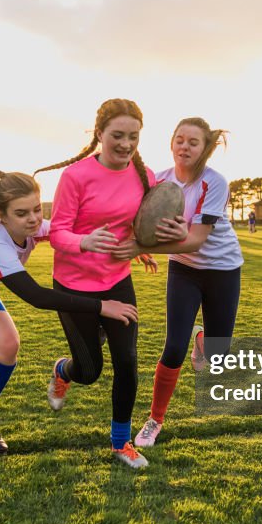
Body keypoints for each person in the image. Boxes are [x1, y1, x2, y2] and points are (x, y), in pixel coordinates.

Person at [0, 171, 138, 456]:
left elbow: (69, 235)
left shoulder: (33, 228)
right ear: (3, 216)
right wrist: (101, 307)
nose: (32, 219)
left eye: (36, 209)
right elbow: (36, 296)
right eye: (21, 213)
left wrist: (128, 247)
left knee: (8, 346)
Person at [34, 98, 187, 469]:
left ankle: (121, 444)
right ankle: (63, 372)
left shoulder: (144, 175)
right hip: (72, 285)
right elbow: (58, 234)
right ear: (99, 133)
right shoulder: (76, 176)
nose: (125, 144)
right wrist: (82, 242)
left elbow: (141, 224)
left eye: (133, 136)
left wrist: (146, 246)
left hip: (117, 282)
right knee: (90, 371)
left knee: (128, 362)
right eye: (117, 135)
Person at [108, 118, 243, 448]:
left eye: (193, 142)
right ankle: (155, 420)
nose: (185, 147)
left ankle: (204, 342)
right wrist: (141, 246)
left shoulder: (215, 183)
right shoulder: (159, 181)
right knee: (173, 347)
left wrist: (142, 247)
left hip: (223, 269)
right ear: (171, 144)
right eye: (179, 140)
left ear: (205, 149)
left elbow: (195, 240)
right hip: (183, 270)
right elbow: (140, 220)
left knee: (219, 354)